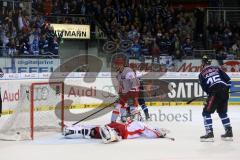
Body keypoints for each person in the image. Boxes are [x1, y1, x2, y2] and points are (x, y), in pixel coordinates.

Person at [199, 55, 233, 142]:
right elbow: (228, 81)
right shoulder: (217, 68)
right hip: (224, 90)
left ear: (203, 64)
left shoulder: (201, 74)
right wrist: (225, 90)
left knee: (206, 112)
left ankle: (209, 133)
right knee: (222, 113)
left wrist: (209, 98)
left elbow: (206, 89)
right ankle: (229, 132)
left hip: (214, 92)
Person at [62, 119, 169, 144]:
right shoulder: (138, 123)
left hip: (122, 130)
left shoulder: (141, 124)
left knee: (95, 130)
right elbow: (150, 133)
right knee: (95, 129)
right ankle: (71, 130)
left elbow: (150, 133)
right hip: (121, 128)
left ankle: (111, 134)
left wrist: (159, 133)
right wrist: (159, 133)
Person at [111, 55, 140, 122]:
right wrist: (120, 94)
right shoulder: (118, 74)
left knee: (132, 107)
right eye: (115, 65)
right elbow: (121, 85)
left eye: (117, 64)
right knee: (118, 106)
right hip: (125, 93)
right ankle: (115, 121)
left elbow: (135, 82)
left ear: (121, 65)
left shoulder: (128, 71)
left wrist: (131, 93)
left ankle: (136, 120)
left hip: (133, 92)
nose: (115, 66)